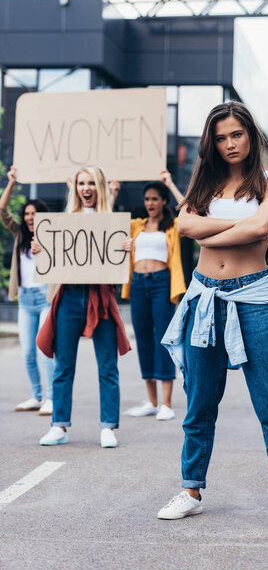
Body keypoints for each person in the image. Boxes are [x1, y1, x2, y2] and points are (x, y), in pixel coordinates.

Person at [157, 102, 268, 534]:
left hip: (253, 299)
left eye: (236, 135)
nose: (229, 144)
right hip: (204, 298)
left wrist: (210, 227)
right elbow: (183, 227)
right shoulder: (204, 184)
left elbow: (261, 227)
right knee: (200, 404)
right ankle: (191, 491)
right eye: (220, 138)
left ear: (251, 135)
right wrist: (230, 227)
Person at [36, 166, 131, 448]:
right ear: (75, 187)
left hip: (99, 297)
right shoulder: (65, 220)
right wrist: (41, 250)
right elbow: (52, 256)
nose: (86, 188)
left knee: (107, 365)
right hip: (69, 296)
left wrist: (126, 247)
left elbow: (116, 264)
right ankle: (59, 425)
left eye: (91, 183)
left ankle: (108, 426)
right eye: (81, 183)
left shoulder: (111, 222)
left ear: (99, 187)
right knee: (63, 365)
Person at [121, 170, 186, 421]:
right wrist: (114, 191)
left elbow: (188, 209)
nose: (150, 203)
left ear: (163, 201)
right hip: (138, 284)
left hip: (161, 284)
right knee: (144, 341)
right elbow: (107, 225)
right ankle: (151, 401)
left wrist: (169, 182)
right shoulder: (135, 226)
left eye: (155, 199)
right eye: (147, 199)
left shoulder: (173, 226)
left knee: (163, 340)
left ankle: (167, 404)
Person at [0, 166, 55, 416]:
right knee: (27, 352)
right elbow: (2, 211)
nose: (30, 217)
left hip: (45, 298)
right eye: (27, 213)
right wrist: (11, 183)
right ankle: (36, 395)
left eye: (35, 213)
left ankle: (52, 399)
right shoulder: (20, 234)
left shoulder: (53, 237)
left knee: (45, 348)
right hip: (25, 300)